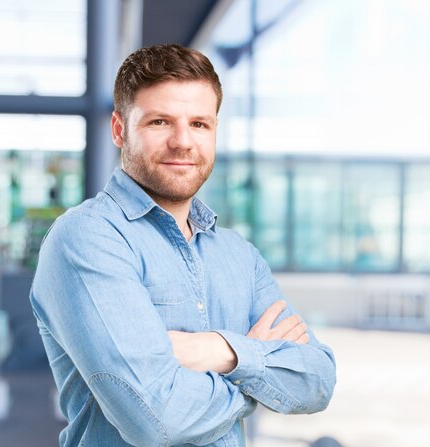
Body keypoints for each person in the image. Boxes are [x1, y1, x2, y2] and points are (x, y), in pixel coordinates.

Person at [30, 44, 336, 447]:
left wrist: (219, 350)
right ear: (120, 129)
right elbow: (157, 420)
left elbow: (317, 379)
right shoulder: (88, 238)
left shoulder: (237, 254)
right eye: (159, 122)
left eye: (199, 124)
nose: (182, 141)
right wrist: (255, 367)